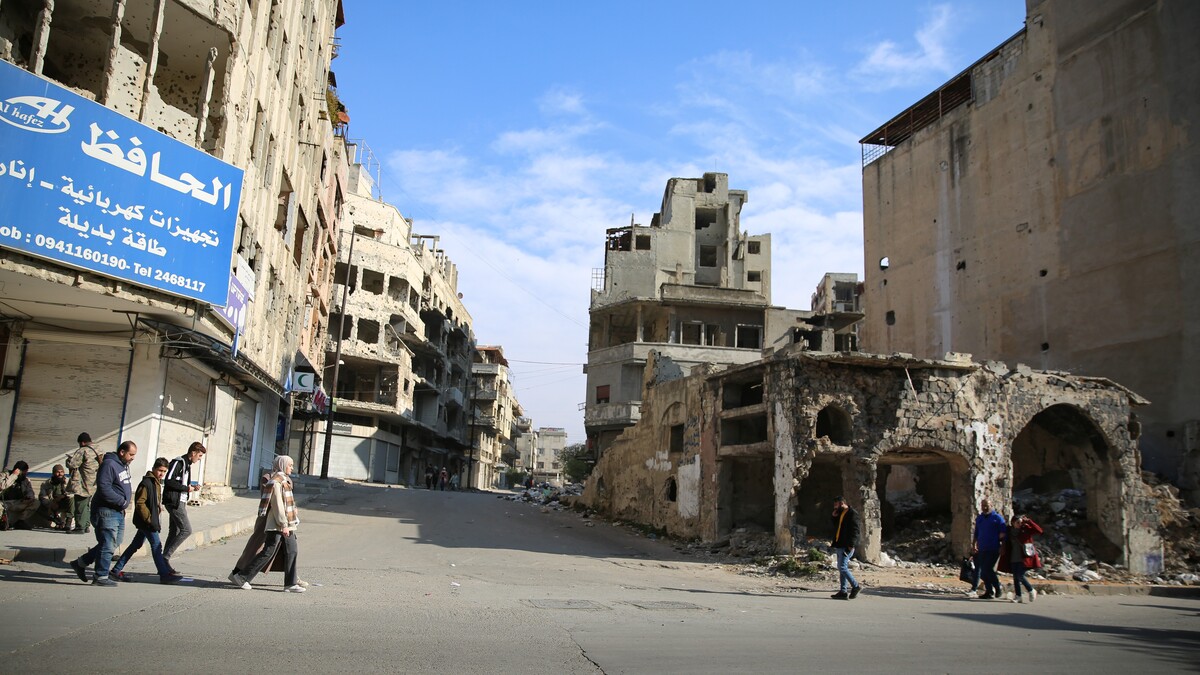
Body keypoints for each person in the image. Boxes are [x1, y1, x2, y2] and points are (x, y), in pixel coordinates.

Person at [230, 456, 305, 593]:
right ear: (282, 465)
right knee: (268, 552)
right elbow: (277, 505)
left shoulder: (284, 480)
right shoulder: (276, 482)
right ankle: (242, 577)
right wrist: (283, 524)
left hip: (287, 523)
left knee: (292, 550)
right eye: (290, 465)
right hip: (278, 524)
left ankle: (290, 583)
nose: (292, 468)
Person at [69, 440, 136, 587]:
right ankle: (100, 576)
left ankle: (80, 563)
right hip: (106, 511)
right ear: (122, 452)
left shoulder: (121, 466)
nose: (132, 458)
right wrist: (121, 501)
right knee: (107, 543)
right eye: (131, 454)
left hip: (117, 511)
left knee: (113, 543)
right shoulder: (109, 464)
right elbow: (104, 488)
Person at [110, 458, 182, 584]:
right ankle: (164, 574)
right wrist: (149, 518)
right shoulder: (147, 483)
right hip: (147, 522)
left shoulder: (156, 482)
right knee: (156, 546)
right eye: (160, 470)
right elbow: (140, 503)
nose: (161, 474)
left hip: (150, 520)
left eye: (164, 472)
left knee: (134, 545)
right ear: (154, 468)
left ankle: (116, 570)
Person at [162, 442, 205, 572]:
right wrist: (186, 488)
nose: (200, 458)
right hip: (174, 502)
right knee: (186, 530)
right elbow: (169, 481)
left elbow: (180, 481)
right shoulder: (179, 462)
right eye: (199, 455)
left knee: (174, 531)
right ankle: (164, 557)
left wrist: (192, 487)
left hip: (180, 501)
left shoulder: (187, 465)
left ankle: (164, 564)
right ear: (193, 453)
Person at [999, 514, 1043, 604]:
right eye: (1017, 522)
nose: (1019, 524)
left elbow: (1039, 530)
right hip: (1013, 557)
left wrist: (1029, 521)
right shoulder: (1009, 531)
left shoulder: (1026, 530)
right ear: (1013, 523)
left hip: (1024, 558)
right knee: (1016, 577)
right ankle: (1018, 596)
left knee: (1020, 576)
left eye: (1021, 522)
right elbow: (1001, 536)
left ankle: (1031, 590)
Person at [65, 432, 103, 533]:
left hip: (83, 483)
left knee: (80, 504)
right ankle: (86, 525)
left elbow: (72, 464)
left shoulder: (82, 450)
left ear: (82, 442)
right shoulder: (98, 448)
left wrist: (68, 460)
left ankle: (80, 527)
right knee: (87, 505)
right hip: (95, 482)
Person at [971, 498, 1007, 599]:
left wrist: (1003, 546)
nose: (985, 507)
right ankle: (989, 591)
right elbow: (976, 533)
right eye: (983, 506)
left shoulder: (997, 518)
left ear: (991, 505)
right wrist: (974, 545)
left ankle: (997, 587)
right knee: (983, 572)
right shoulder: (980, 519)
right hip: (982, 548)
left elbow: (1004, 535)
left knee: (988, 568)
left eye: (987, 505)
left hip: (993, 548)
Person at [830, 496, 862, 600]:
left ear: (842, 503)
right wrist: (834, 517)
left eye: (836, 505)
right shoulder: (841, 514)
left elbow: (855, 531)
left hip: (847, 546)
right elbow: (838, 527)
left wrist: (851, 546)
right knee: (841, 568)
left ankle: (855, 586)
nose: (835, 507)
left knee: (842, 567)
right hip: (840, 544)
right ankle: (843, 591)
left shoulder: (852, 514)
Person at [1, 461, 38, 529]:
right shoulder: (5, 475)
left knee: (36, 502)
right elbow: (2, 486)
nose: (26, 473)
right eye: (24, 471)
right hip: (4, 503)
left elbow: (30, 492)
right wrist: (14, 475)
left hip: (18, 503)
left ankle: (20, 521)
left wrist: (29, 497)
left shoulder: (25, 480)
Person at [38, 464, 72, 529]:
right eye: (58, 472)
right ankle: (57, 522)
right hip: (52, 506)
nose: (60, 474)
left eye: (62, 472)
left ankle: (68, 522)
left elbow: (72, 493)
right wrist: (51, 504)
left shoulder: (68, 482)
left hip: (65, 505)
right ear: (53, 473)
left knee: (72, 500)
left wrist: (63, 496)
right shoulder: (46, 484)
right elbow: (43, 497)